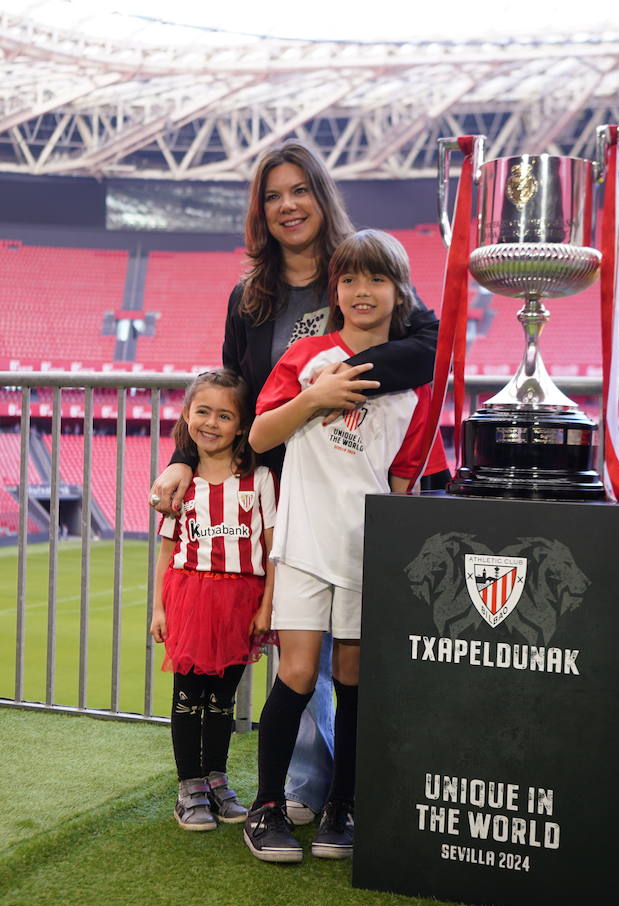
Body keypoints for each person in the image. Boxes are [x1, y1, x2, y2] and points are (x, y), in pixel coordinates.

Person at [148, 141, 445, 827]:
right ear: (261, 209)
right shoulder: (248, 298)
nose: (287, 205)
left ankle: (321, 788)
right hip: (275, 490)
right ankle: (249, 785)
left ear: (322, 196)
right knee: (290, 653)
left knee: (341, 658)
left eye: (300, 190)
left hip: (350, 485)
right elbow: (228, 395)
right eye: (273, 194)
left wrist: (337, 377)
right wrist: (185, 458)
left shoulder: (362, 271)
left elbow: (429, 349)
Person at [242, 229, 434, 863]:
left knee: (352, 678)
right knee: (296, 673)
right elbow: (261, 436)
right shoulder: (308, 355)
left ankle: (342, 803)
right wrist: (314, 397)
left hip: (365, 551)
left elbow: (403, 479)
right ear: (335, 289)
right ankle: (267, 804)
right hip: (302, 540)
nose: (361, 292)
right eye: (349, 280)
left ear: (398, 290)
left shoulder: (415, 385)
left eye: (376, 280)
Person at [150, 369, 276, 831]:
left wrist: (266, 607)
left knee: (223, 697)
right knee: (188, 695)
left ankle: (217, 778)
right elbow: (167, 549)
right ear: (187, 416)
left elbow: (271, 546)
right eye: (202, 411)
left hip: (240, 601)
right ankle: (190, 787)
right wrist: (158, 608)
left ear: (242, 425)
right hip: (190, 597)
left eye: (225, 415)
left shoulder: (259, 480)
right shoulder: (181, 484)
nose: (212, 422)